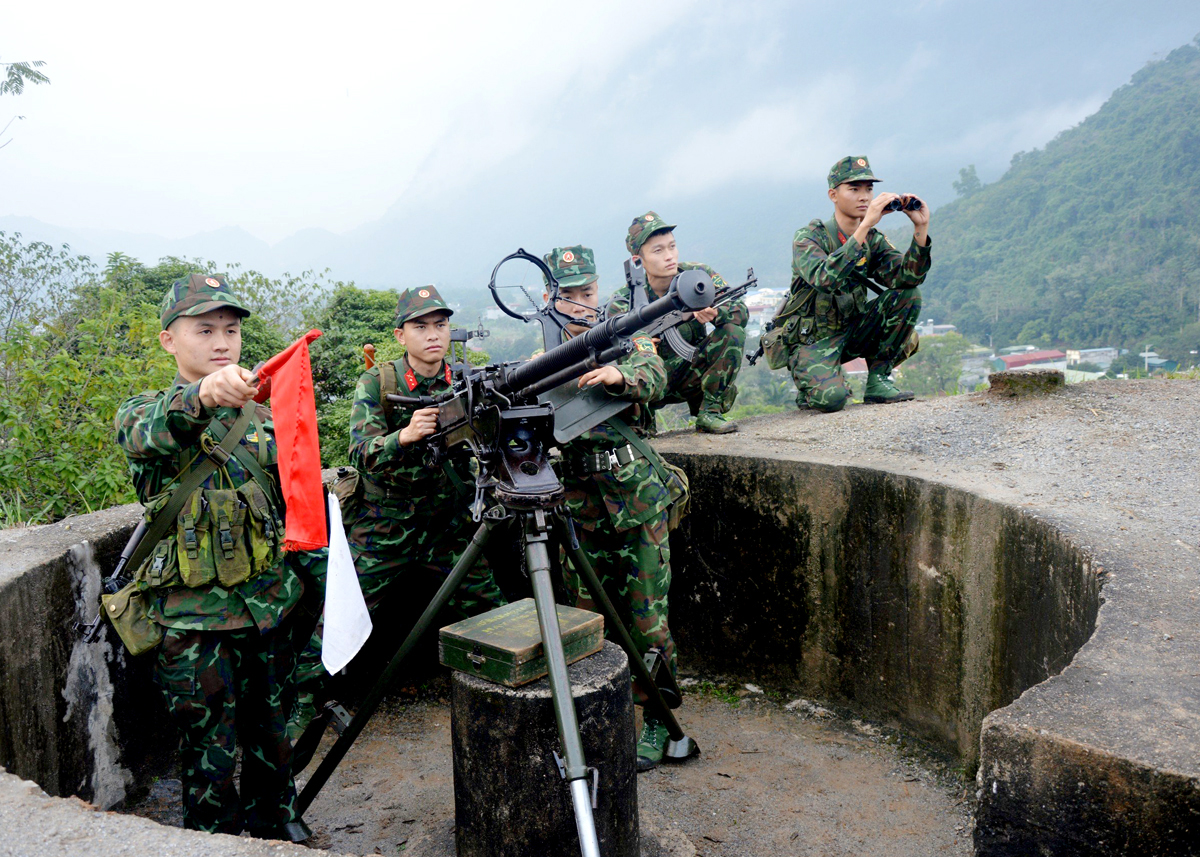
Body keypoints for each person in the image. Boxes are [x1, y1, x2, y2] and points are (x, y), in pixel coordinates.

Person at [113, 273, 313, 841]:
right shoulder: (146, 413)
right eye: (204, 329)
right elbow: (146, 433)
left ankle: (279, 828)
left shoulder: (265, 423)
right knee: (211, 752)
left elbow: (294, 510)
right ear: (169, 341)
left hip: (264, 608)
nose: (222, 341)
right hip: (191, 621)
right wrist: (203, 395)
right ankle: (214, 842)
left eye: (230, 329)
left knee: (273, 735)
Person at [291, 285, 505, 730]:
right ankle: (299, 709)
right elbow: (360, 453)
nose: (433, 335)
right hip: (384, 527)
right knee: (340, 615)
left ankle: (506, 696)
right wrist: (403, 436)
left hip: (445, 523)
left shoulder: (465, 379)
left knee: (491, 610)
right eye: (420, 326)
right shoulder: (379, 382)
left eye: (440, 325)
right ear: (401, 335)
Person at [543, 245, 693, 771]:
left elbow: (655, 375)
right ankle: (594, 715)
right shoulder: (544, 353)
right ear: (549, 298)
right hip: (580, 507)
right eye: (570, 295)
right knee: (587, 619)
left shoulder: (624, 331)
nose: (582, 304)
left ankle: (659, 718)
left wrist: (618, 377)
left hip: (637, 500)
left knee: (648, 620)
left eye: (589, 292)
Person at [771, 155, 931, 412]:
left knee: (909, 295)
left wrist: (920, 229)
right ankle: (810, 385)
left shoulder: (873, 240)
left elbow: (907, 279)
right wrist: (865, 225)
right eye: (854, 189)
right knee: (832, 401)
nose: (864, 197)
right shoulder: (809, 237)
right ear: (833, 195)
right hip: (813, 340)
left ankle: (878, 381)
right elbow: (825, 279)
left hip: (853, 332)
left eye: (869, 189)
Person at [608, 211, 749, 434]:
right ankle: (644, 425)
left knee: (733, 332)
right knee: (641, 436)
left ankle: (710, 412)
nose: (669, 256)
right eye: (658, 250)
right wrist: (642, 347)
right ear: (638, 260)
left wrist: (716, 314)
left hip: (690, 373)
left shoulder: (698, 277)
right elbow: (611, 353)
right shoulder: (624, 302)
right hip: (649, 382)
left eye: (672, 247)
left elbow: (741, 312)